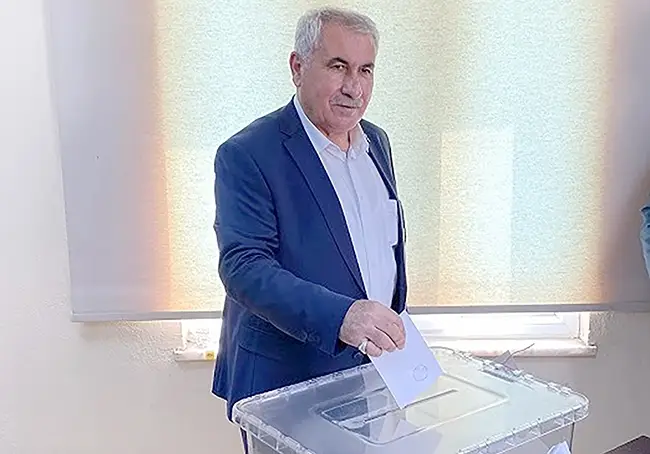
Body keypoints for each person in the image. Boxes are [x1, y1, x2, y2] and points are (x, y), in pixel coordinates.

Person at [210, 7, 408, 452]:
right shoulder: (247, 153)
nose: (354, 87)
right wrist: (343, 316)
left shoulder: (377, 142)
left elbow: (377, 251)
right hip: (284, 384)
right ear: (298, 67)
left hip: (370, 375)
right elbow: (244, 267)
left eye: (365, 70)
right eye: (338, 67)